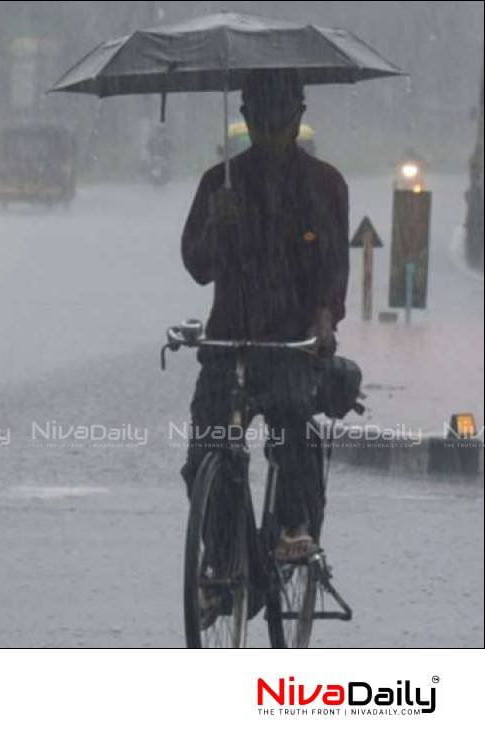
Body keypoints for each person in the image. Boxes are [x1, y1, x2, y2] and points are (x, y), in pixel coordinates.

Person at [180, 69, 349, 562]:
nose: (272, 134)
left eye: (282, 121)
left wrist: (323, 322)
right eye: (261, 122)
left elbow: (333, 271)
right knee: (205, 456)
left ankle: (293, 525)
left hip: (290, 344)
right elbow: (198, 267)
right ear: (245, 118)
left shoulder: (325, 185)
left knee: (293, 422)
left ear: (298, 116)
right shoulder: (219, 183)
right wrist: (217, 222)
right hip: (228, 342)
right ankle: (225, 558)